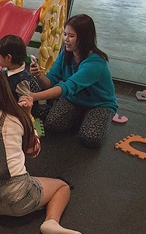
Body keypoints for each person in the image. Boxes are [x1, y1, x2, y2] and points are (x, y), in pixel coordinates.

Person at [0, 67, 85, 234]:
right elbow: (33, 151)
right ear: (5, 89)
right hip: (19, 201)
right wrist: (29, 116)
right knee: (62, 187)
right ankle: (51, 222)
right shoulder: (19, 116)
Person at [29, 14, 118, 148]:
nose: (66, 39)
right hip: (74, 100)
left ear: (84, 38)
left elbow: (68, 86)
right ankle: (79, 116)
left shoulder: (95, 63)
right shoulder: (65, 54)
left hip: (99, 104)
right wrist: (39, 75)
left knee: (90, 138)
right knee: (52, 124)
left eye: (71, 36)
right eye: (65, 34)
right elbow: (50, 81)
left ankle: (89, 117)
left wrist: (34, 96)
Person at [0, 34, 41, 111]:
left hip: (11, 110)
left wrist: (22, 103)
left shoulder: (21, 80)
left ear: (8, 58)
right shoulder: (7, 68)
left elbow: (25, 98)